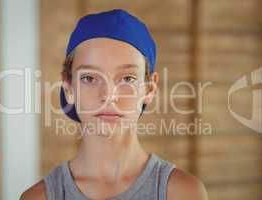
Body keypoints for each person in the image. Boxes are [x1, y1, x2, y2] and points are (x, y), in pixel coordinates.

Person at [20, 9, 208, 200]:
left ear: (149, 89)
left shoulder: (183, 193)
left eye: (127, 78)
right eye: (89, 78)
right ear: (68, 88)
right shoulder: (39, 197)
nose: (108, 95)